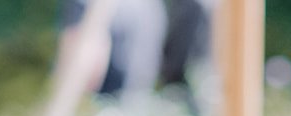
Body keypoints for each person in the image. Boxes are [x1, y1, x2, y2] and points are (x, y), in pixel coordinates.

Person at [58, 0, 213, 96]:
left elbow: (87, 64)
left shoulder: (89, 4)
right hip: (137, 103)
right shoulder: (150, 5)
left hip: (102, 109)